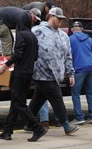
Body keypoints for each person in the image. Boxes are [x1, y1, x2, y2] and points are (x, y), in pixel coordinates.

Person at [28, 7, 79, 136]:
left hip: (57, 74)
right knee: (56, 98)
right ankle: (66, 124)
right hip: (41, 72)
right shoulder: (37, 31)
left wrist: (70, 73)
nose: (60, 22)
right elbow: (26, 47)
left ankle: (28, 122)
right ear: (51, 17)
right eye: (58, 19)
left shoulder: (63, 35)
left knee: (38, 99)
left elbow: (68, 55)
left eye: (62, 19)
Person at [0, 13, 47, 142]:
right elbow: (35, 56)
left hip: (20, 73)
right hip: (28, 72)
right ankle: (7, 131)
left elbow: (18, 54)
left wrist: (4, 66)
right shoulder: (32, 36)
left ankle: (37, 127)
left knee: (18, 103)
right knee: (16, 101)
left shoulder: (21, 35)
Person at [69, 21, 92, 125]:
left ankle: (79, 117)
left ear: (72, 30)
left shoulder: (70, 39)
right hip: (91, 68)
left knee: (75, 93)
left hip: (79, 69)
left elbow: (68, 55)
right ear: (82, 29)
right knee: (90, 93)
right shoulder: (90, 39)